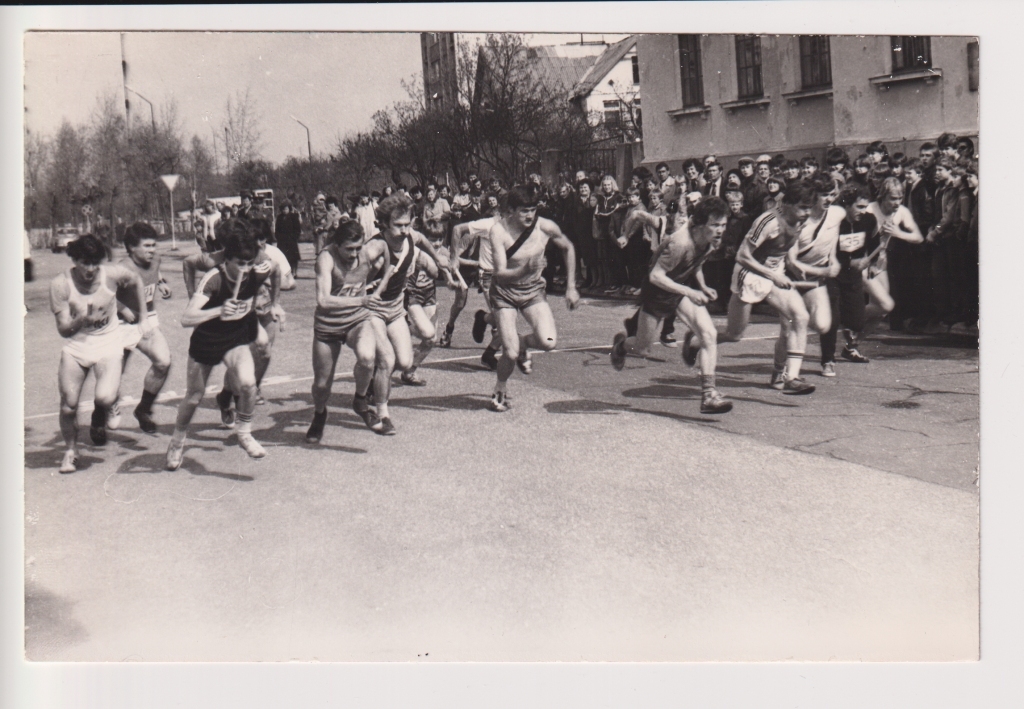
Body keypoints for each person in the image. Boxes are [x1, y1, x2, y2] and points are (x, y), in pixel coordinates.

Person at [166, 219, 277, 470]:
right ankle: (177, 440)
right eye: (240, 264)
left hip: (235, 337)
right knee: (194, 397)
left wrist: (273, 306)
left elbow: (276, 269)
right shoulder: (213, 278)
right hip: (208, 339)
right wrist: (217, 310)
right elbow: (186, 318)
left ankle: (245, 433)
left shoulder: (257, 270)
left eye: (250, 263)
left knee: (248, 384)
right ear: (227, 260)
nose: (246, 269)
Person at [610, 198, 733, 414]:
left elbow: (696, 263)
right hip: (658, 291)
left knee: (709, 334)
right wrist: (690, 291)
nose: (720, 230)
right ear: (700, 224)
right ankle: (621, 346)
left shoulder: (710, 240)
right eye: (715, 225)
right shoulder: (680, 242)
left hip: (679, 288)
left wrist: (702, 286)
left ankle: (708, 395)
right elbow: (656, 276)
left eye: (723, 225)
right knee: (643, 348)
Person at [50, 234, 150, 473]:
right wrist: (82, 319)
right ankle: (71, 452)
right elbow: (64, 330)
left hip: (108, 343)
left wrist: (143, 317)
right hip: (77, 346)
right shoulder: (60, 284)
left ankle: (108, 404)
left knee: (104, 398)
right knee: (68, 406)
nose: (91, 269)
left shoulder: (112, 274)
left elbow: (136, 279)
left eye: (95, 263)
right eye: (85, 262)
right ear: (75, 260)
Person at [714, 180, 821, 395]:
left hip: (774, 275)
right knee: (734, 334)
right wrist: (772, 274)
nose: (806, 213)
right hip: (750, 274)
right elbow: (742, 256)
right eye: (802, 207)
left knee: (798, 317)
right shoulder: (769, 221)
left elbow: (786, 251)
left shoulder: (801, 221)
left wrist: (795, 268)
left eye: (809, 208)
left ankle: (788, 376)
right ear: (788, 203)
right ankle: (698, 340)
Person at [361, 193, 452, 433]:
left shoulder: (411, 235)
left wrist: (438, 261)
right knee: (387, 360)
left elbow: (421, 239)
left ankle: (369, 378)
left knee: (404, 361)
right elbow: (354, 275)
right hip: (373, 311)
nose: (404, 230)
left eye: (407, 224)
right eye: (398, 225)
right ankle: (382, 414)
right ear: (383, 224)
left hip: (395, 308)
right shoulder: (374, 248)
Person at [487, 185, 579, 412]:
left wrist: (571, 287)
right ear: (511, 210)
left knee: (549, 342)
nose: (529, 215)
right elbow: (499, 274)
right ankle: (500, 387)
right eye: (523, 211)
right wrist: (526, 268)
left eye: (533, 209)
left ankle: (524, 345)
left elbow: (568, 247)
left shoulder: (545, 226)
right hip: (504, 293)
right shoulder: (499, 231)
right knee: (508, 351)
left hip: (532, 291)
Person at [182, 219, 284, 415]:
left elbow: (276, 269)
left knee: (262, 349)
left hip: (243, 316)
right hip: (215, 321)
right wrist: (193, 297)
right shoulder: (213, 261)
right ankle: (233, 394)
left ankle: (231, 393)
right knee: (203, 377)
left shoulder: (257, 255)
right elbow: (188, 263)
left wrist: (276, 303)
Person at [307, 220, 389, 442]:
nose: (354, 254)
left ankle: (360, 400)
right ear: (337, 244)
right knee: (322, 385)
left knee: (367, 356)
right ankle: (320, 414)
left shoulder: (367, 251)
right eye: (349, 249)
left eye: (358, 247)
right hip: (329, 324)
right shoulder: (325, 259)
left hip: (356, 320)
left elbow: (386, 245)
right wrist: (362, 299)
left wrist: (386, 267)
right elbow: (323, 300)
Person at [776, 174, 843, 379]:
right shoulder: (798, 220)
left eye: (832, 194)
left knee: (823, 324)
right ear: (813, 196)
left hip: (817, 278)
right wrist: (824, 272)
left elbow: (832, 238)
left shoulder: (837, 213)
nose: (829, 200)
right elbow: (792, 262)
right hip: (792, 278)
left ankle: (809, 354)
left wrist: (833, 259)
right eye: (824, 195)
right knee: (788, 329)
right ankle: (779, 371)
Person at [113, 223, 173, 433]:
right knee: (112, 378)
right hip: (119, 325)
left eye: (154, 245)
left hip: (146, 320)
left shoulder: (155, 260)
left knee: (163, 362)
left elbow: (155, 271)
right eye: (146, 246)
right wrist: (121, 307)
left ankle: (144, 409)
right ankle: (102, 413)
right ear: (131, 247)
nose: (152, 250)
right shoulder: (121, 268)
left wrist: (162, 282)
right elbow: (102, 293)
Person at [820, 185, 876, 375]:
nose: (863, 211)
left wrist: (873, 261)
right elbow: (827, 251)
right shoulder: (836, 222)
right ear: (847, 205)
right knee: (832, 320)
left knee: (858, 322)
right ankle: (827, 360)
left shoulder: (869, 220)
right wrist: (850, 261)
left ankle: (848, 347)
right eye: (859, 207)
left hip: (853, 277)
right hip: (833, 274)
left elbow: (875, 245)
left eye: (865, 207)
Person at [866, 177, 925, 335]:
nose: (897, 202)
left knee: (883, 309)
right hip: (864, 262)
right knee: (883, 304)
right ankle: (848, 318)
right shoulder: (870, 210)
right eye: (892, 198)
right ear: (883, 196)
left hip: (880, 263)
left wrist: (899, 233)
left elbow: (918, 237)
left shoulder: (902, 211)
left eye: (900, 198)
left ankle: (853, 343)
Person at [274, 200, 302, 279]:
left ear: (289, 209)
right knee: (283, 257)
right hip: (282, 241)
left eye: (286, 209)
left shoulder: (293, 217)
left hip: (291, 240)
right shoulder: (279, 217)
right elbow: (277, 229)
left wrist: (294, 237)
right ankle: (285, 272)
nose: (285, 210)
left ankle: (294, 272)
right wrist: (278, 237)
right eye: (283, 209)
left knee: (293, 258)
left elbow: (298, 229)